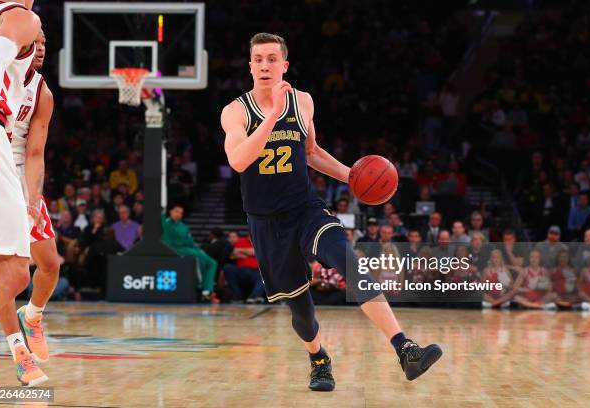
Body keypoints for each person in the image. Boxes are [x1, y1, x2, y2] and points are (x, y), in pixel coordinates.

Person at [220, 33, 441, 391]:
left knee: (350, 262)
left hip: (305, 209)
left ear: (284, 66)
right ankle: (319, 357)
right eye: (258, 59)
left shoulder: (303, 102)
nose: (264, 65)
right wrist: (273, 114)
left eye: (272, 59)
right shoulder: (236, 111)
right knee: (303, 315)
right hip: (267, 224)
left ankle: (405, 349)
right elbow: (239, 159)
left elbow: (311, 152)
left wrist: (354, 177)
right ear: (250, 66)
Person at [0, 0, 44, 387]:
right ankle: (20, 348)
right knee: (13, 270)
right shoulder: (20, 15)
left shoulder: (41, 90)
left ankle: (21, 352)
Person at [0, 29, 58, 386]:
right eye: (34, 41)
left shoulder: (42, 92)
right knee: (2, 269)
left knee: (49, 264)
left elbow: (35, 152)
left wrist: (33, 198)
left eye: (45, 44)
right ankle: (19, 352)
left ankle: (32, 316)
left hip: (19, 172)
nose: (40, 49)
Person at [161, 205, 219, 303]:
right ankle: (201, 286)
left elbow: (191, 242)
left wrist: (200, 250)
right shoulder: (165, 223)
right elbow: (160, 216)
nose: (178, 214)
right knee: (199, 257)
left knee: (212, 262)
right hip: (174, 249)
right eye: (176, 211)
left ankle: (207, 290)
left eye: (181, 213)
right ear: (170, 212)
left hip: (187, 249)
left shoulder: (184, 227)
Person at [223, 233, 266, 303]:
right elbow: (234, 253)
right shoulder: (240, 241)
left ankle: (255, 296)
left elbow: (258, 252)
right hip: (241, 270)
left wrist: (242, 251)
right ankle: (238, 295)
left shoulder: (262, 242)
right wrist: (251, 252)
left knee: (265, 274)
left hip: (257, 271)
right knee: (228, 268)